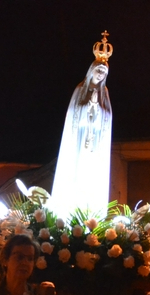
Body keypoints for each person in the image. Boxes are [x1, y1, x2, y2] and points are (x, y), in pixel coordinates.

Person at [49, 52, 112, 218]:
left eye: (104, 72)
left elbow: (108, 116)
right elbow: (73, 114)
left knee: (91, 176)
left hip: (95, 141)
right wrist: (88, 107)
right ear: (91, 70)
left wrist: (97, 109)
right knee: (77, 171)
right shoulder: (80, 89)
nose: (100, 74)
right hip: (79, 139)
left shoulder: (104, 92)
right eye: (98, 70)